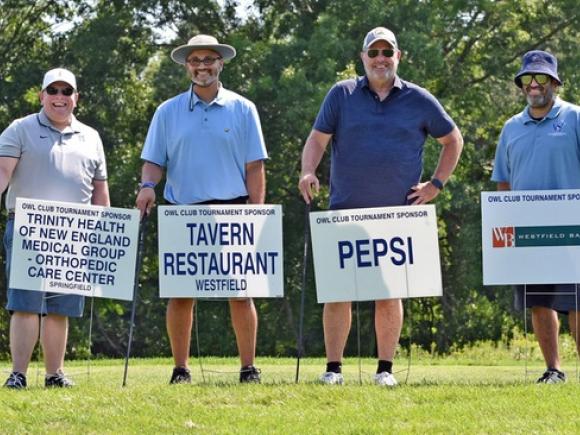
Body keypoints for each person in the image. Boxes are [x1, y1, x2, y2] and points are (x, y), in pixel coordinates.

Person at [298, 27, 463, 386]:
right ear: (363, 58)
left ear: (398, 56)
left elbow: (453, 140)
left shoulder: (419, 99)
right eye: (373, 52)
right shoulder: (341, 94)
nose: (380, 58)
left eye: (387, 51)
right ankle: (333, 369)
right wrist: (308, 171)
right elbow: (317, 139)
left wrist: (436, 184)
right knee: (338, 293)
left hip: (397, 214)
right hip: (345, 211)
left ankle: (385, 370)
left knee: (389, 293)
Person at [136, 34, 267, 384]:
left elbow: (255, 166)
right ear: (186, 66)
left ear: (221, 63)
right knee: (181, 294)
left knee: (241, 291)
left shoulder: (243, 108)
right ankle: (181, 369)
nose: (202, 66)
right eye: (195, 60)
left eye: (209, 59)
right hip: (182, 211)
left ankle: (248, 367)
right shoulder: (167, 111)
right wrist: (147, 187)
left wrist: (257, 211)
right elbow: (153, 162)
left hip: (233, 210)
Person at [0, 68, 110, 389]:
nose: (59, 97)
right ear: (42, 96)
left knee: (60, 308)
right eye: (53, 91)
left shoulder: (91, 137)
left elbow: (100, 190)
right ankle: (18, 374)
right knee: (25, 305)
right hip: (27, 228)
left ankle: (54, 374)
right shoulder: (19, 129)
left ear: (76, 98)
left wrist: (104, 230)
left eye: (66, 92)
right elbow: (3, 172)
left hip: (75, 233)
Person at [492, 50, 580, 383]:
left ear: (554, 83)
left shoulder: (574, 118)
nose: (533, 84)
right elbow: (503, 179)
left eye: (540, 78)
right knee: (540, 301)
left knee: (577, 301)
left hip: (573, 228)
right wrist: (505, 225)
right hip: (528, 230)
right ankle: (553, 370)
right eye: (527, 78)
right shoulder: (511, 127)